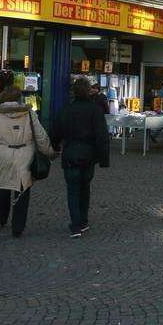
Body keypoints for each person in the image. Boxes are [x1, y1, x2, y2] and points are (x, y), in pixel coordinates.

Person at [0, 86, 54, 238]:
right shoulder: (29, 114)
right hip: (25, 154)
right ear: (19, 98)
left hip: (3, 154)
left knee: (4, 185)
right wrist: (50, 152)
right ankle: (18, 227)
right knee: (22, 190)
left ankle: (0, 217)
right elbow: (40, 136)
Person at [51, 77, 110, 238]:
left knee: (73, 190)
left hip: (71, 153)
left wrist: (54, 147)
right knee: (85, 188)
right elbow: (102, 136)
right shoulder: (95, 110)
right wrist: (104, 158)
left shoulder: (66, 109)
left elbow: (56, 131)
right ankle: (82, 221)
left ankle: (76, 224)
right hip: (89, 154)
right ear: (89, 90)